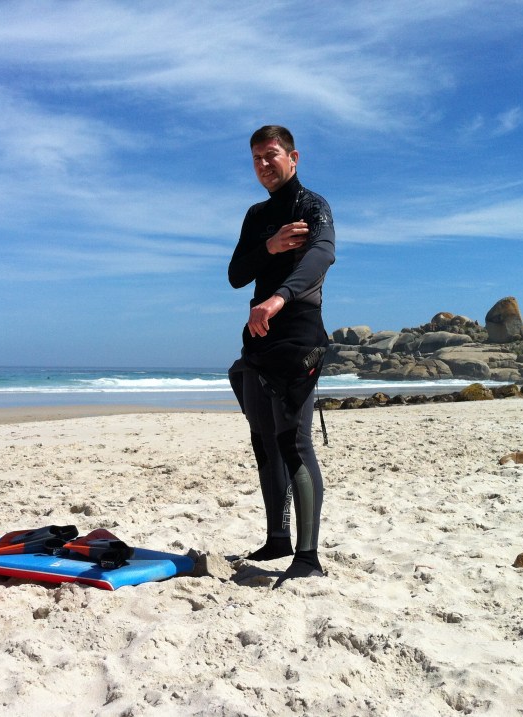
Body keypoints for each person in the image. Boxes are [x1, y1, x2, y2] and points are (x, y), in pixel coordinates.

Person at [227, 125, 336, 588]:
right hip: (259, 339)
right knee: (263, 440)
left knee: (294, 443)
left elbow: (322, 257)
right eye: (256, 158)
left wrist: (279, 298)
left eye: (271, 155)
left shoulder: (312, 206)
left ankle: (308, 559)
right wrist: (268, 247)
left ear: (293, 157)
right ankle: (278, 539)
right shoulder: (257, 216)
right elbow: (236, 274)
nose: (264, 165)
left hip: (297, 334)